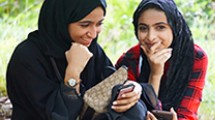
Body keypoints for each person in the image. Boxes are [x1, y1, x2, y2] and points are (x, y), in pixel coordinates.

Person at [115, 0, 208, 120]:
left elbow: (187, 113)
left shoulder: (195, 58)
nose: (150, 37)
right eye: (143, 28)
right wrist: (155, 73)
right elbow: (132, 112)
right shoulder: (130, 59)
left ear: (175, 27)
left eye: (160, 27)